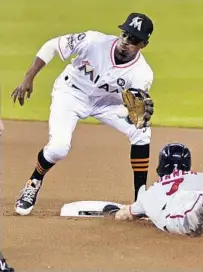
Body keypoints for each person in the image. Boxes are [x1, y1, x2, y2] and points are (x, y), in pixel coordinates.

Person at [11, 12, 156, 216]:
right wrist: (29, 77)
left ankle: (140, 199)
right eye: (125, 34)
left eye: (133, 40)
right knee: (59, 149)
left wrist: (135, 113)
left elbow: (133, 104)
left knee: (142, 131)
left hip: (107, 104)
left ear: (143, 45)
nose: (126, 42)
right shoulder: (93, 41)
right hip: (71, 93)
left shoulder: (143, 73)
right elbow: (53, 45)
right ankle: (34, 181)